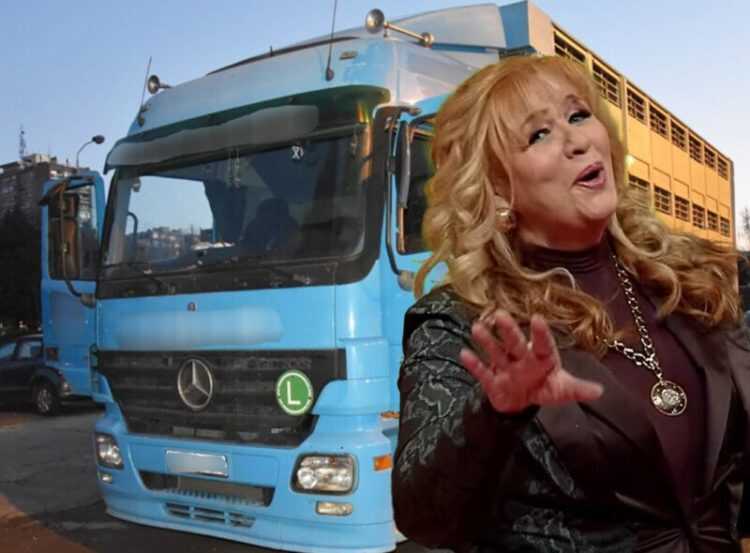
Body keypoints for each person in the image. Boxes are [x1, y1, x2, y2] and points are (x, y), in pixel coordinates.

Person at [392, 54, 750, 553]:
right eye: (538, 134)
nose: (577, 140)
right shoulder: (459, 322)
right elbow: (421, 514)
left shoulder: (692, 279)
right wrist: (492, 414)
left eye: (578, 115)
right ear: (497, 189)